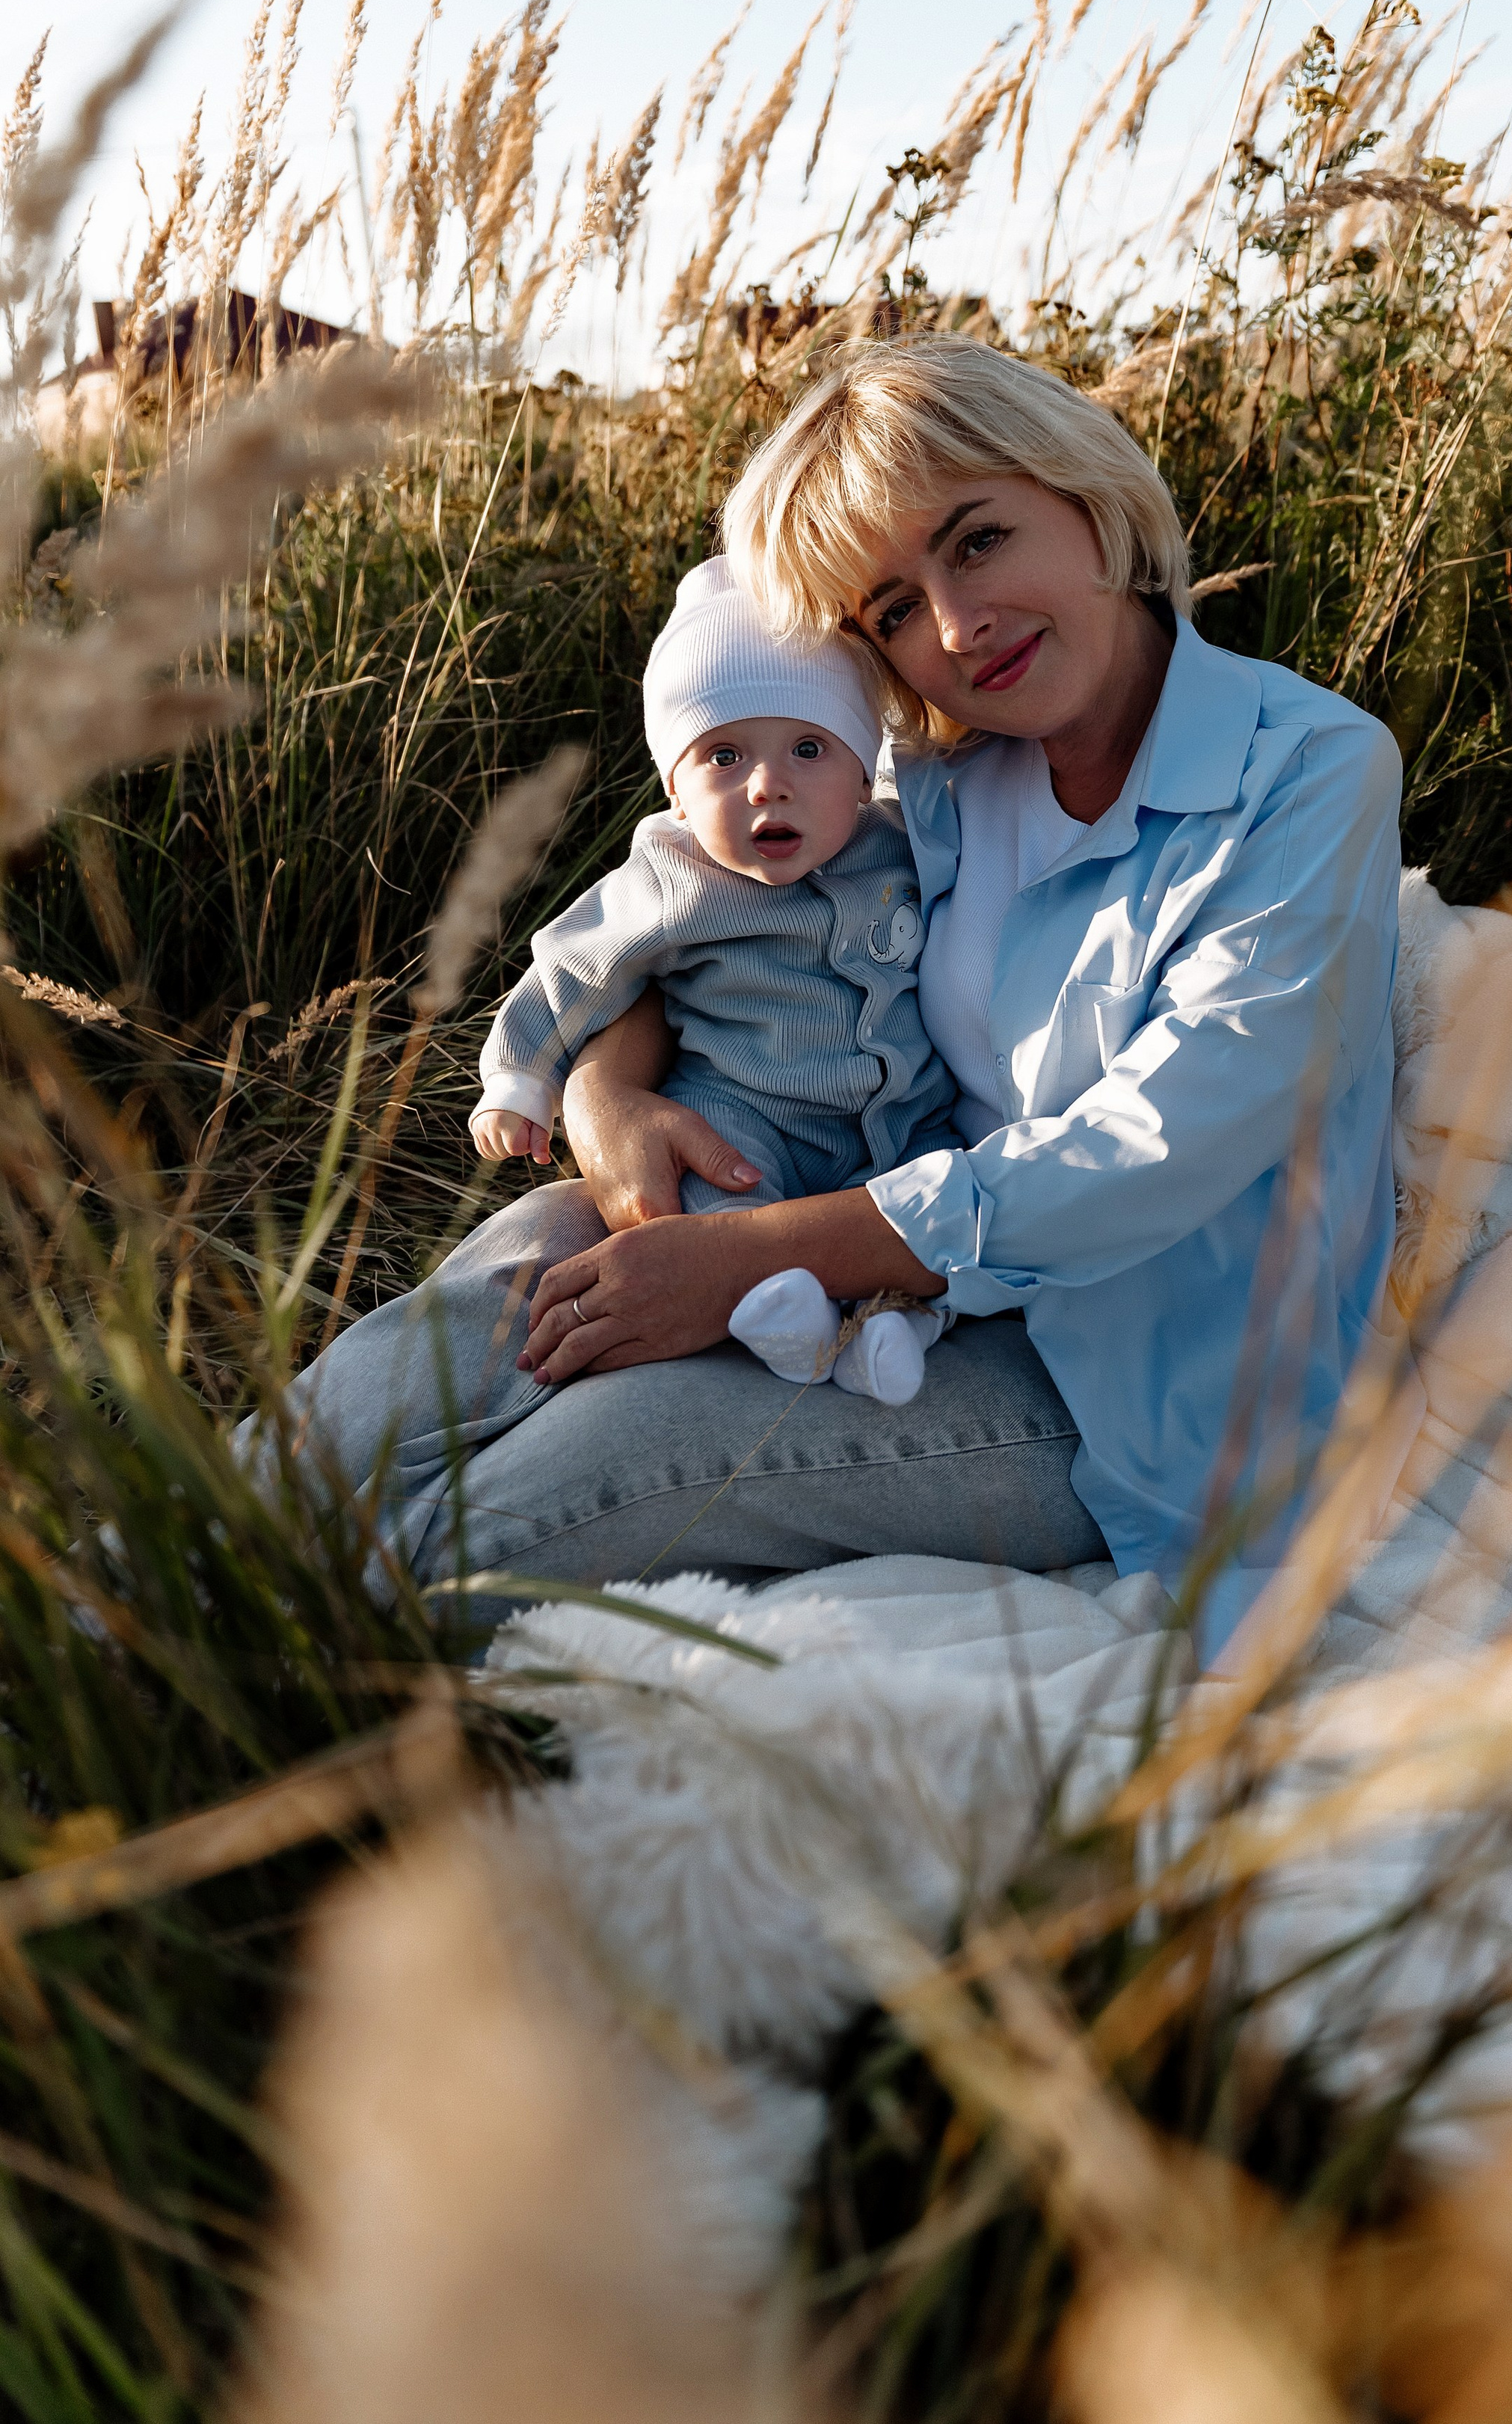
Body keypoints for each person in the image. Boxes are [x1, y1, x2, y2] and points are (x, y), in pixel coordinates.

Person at [265, 338, 1401, 1652]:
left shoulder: (1307, 771)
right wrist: (606, 1086)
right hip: (882, 1273)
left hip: (1132, 1388)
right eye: (894, 610)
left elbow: (1154, 1153)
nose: (958, 630)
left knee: (591, 1463)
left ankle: (219, 1666)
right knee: (534, 1259)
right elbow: (720, 906)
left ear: (1087, 496)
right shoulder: (949, 776)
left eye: (978, 542)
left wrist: (757, 1253)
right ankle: (147, 1548)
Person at [470, 553, 959, 1405]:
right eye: (724, 757)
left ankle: (885, 1333)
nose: (769, 784)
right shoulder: (675, 873)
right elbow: (577, 962)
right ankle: (780, 1317)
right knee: (710, 1189)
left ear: (861, 768)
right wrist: (520, 1077)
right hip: (745, 1113)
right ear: (677, 793)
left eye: (810, 749)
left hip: (903, 1119)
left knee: (934, 1200)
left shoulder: (900, 843)